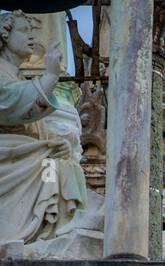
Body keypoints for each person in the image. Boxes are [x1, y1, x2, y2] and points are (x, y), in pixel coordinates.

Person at [0, 12, 91, 248]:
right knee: (57, 168)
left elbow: (32, 125)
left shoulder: (17, 75)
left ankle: (61, 230)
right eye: (24, 31)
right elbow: (10, 104)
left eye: (33, 31)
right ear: (4, 34)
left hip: (22, 151)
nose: (32, 37)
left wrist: (54, 142)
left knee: (64, 165)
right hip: (10, 155)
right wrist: (50, 76)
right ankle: (52, 231)